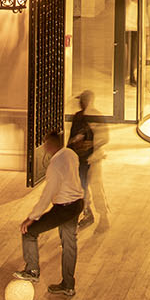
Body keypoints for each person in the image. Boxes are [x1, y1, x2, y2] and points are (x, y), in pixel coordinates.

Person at [15, 130, 84, 297]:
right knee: (69, 245)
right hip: (76, 204)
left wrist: (31, 218)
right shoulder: (70, 154)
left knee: (29, 232)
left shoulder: (55, 166)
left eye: (46, 143)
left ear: (51, 145)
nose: (44, 146)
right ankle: (68, 285)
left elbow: (47, 195)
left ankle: (32, 270)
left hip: (63, 208)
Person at [68, 91, 102, 229]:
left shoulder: (95, 118)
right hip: (79, 159)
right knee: (80, 188)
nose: (79, 103)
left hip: (89, 161)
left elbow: (102, 138)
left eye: (81, 100)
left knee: (89, 188)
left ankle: (92, 214)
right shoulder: (78, 117)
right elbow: (71, 139)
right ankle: (87, 213)